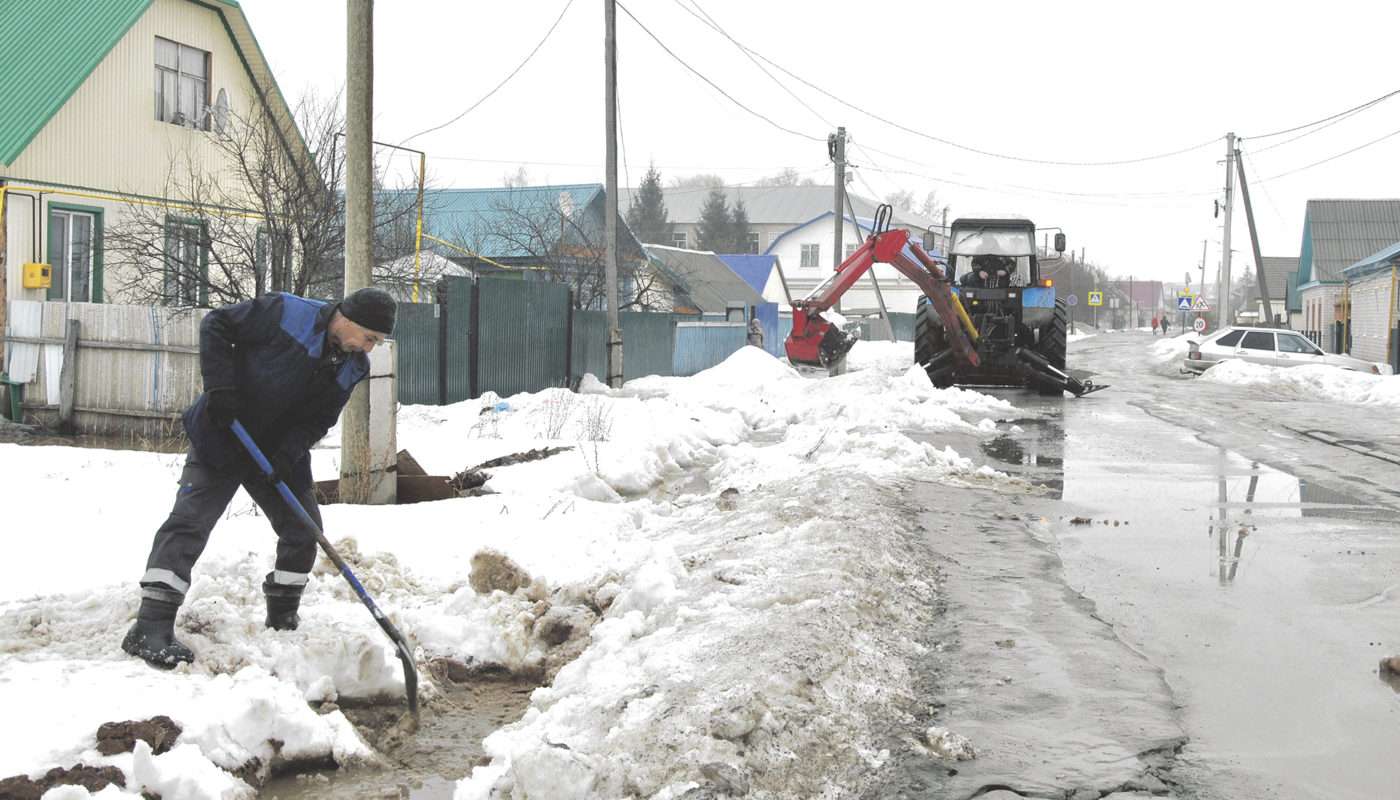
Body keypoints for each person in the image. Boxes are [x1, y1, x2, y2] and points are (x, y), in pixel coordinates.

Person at [121, 287, 397, 669]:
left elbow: (321, 418)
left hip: (276, 451)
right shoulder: (287, 312)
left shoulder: (353, 367)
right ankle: (150, 626)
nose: (369, 349)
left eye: (377, 343)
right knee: (191, 521)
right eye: (370, 338)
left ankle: (283, 620)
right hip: (224, 429)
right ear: (349, 319)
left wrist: (288, 452)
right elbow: (215, 324)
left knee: (303, 531)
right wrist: (220, 388)